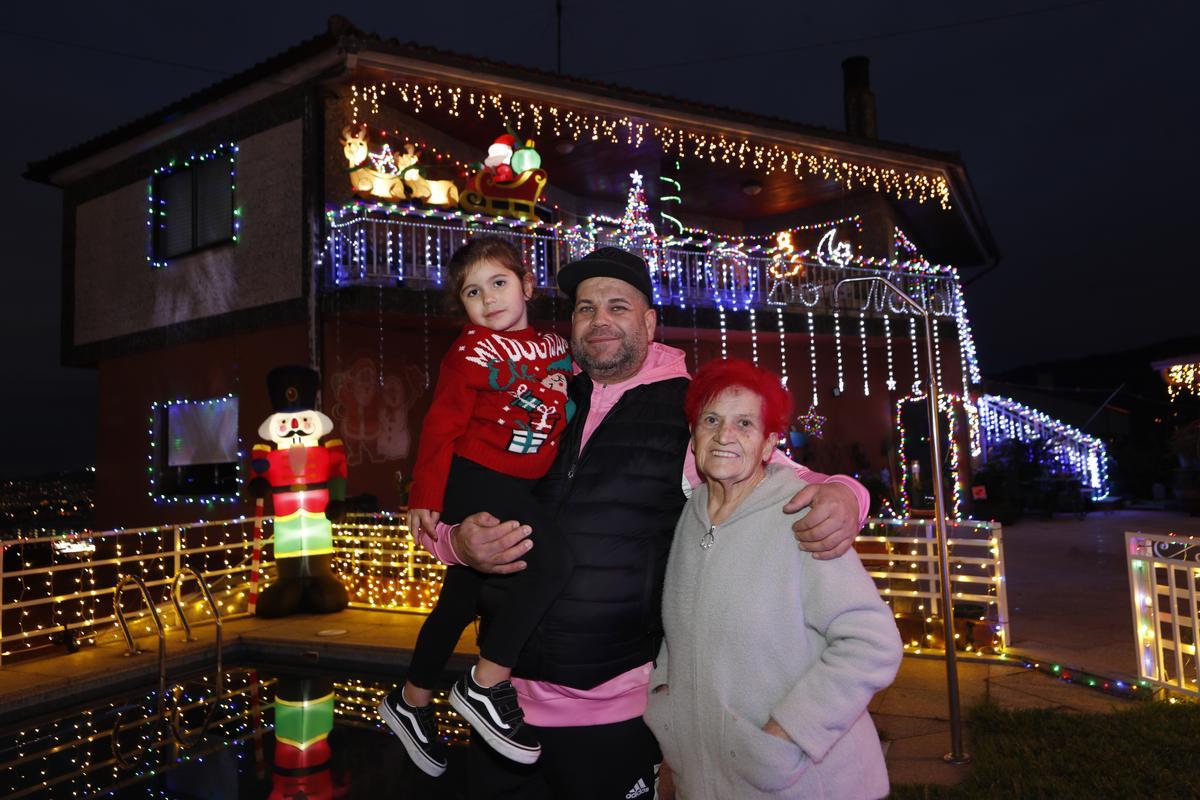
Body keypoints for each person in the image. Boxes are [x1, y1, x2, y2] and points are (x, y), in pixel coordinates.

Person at [418, 246, 870, 799]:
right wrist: (458, 544)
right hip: (503, 707)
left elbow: (768, 468)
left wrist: (844, 493)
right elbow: (453, 487)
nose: (599, 321)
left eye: (617, 306)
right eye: (585, 308)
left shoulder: (687, 412)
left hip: (615, 712)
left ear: (650, 322)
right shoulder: (534, 395)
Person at [643, 359, 903, 799]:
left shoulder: (799, 514)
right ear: (694, 437)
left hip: (801, 781)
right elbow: (682, 631)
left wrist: (785, 736)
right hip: (709, 781)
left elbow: (872, 644)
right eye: (712, 420)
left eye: (745, 423)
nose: (725, 435)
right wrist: (666, 707)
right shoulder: (692, 513)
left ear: (768, 445)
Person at [379, 236, 575, 776]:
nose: (489, 299)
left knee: (461, 596)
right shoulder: (468, 352)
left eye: (499, 283)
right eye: (473, 292)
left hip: (518, 484)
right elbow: (440, 426)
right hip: (476, 475)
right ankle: (485, 683)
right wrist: (425, 495)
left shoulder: (556, 348)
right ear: (460, 305)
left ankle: (412, 700)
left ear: (528, 286)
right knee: (554, 562)